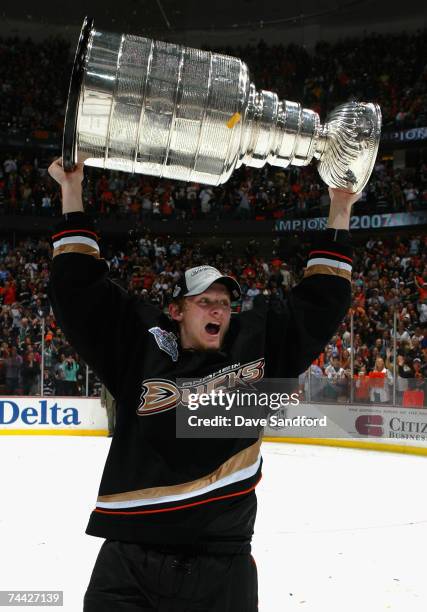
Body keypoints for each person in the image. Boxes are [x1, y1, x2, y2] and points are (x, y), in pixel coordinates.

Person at [47, 157, 359, 611]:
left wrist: (341, 206)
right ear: (176, 311)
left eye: (225, 303)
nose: (218, 310)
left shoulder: (257, 344)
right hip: (131, 561)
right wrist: (71, 192)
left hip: (223, 567)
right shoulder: (141, 345)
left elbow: (320, 304)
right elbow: (80, 295)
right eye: (204, 302)